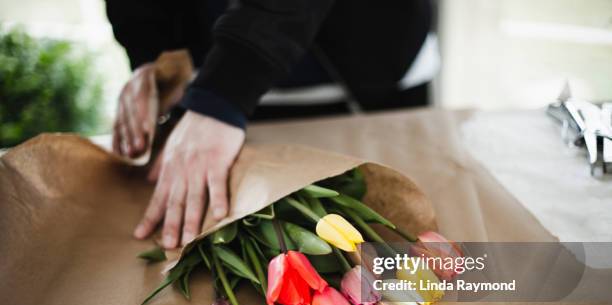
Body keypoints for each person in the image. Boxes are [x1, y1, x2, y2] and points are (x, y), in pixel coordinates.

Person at [106, 0, 433, 249]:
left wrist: (225, 90)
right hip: (213, 103)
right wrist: (151, 52)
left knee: (408, 238)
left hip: (370, 68)